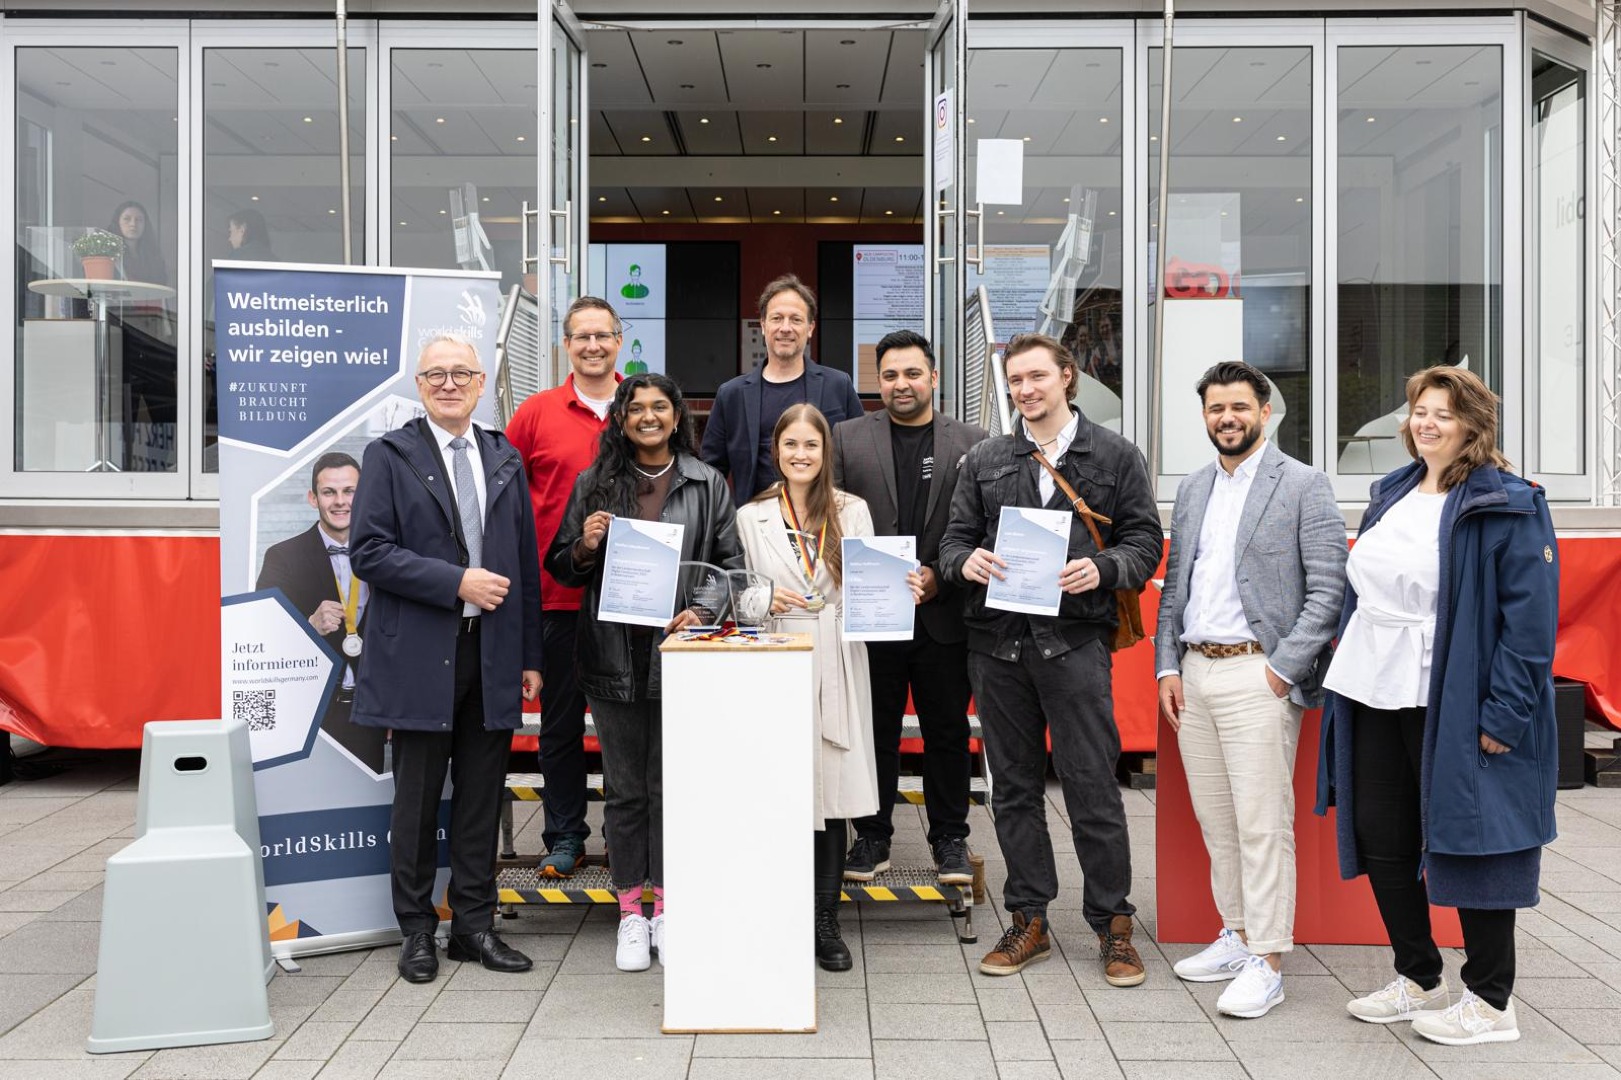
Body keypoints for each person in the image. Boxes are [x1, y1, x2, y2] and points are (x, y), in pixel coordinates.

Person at [1315, 365, 1559, 1045]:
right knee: (1379, 835)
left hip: (1452, 698)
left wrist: (1502, 716)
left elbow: (1530, 624)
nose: (1426, 423)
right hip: (1373, 687)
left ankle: (1489, 1002)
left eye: (1443, 414)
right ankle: (1419, 977)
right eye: (1419, 411)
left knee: (1476, 841)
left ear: (1473, 425)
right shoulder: (1392, 490)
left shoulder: (1509, 501)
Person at [938, 332, 1161, 987]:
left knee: (1093, 787)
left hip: (1074, 646)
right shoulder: (985, 459)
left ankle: (1112, 926)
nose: (1025, 390)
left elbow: (1142, 542)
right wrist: (964, 561)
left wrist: (1103, 567)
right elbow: (952, 542)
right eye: (1015, 381)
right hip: (998, 648)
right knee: (1011, 792)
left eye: (1036, 377)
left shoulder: (1114, 455)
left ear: (1068, 378)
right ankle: (1028, 918)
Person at [1155, 361, 1346, 1018]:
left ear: (1264, 412)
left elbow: (1328, 589)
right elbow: (1174, 585)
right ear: (1204, 415)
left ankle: (1267, 961)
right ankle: (1235, 934)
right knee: (1217, 819)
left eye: (1238, 407)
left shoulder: (1304, 485)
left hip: (1257, 673)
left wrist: (1281, 669)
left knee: (1263, 825)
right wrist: (1166, 666)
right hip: (1195, 671)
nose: (1226, 418)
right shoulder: (1192, 488)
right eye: (1214, 408)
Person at [350, 335, 542, 985]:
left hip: (489, 655)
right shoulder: (389, 456)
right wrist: (455, 581)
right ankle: (416, 932)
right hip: (419, 655)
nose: (449, 383)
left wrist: (530, 653)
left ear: (482, 382)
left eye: (462, 372)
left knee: (480, 800)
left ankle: (473, 928)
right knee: (417, 799)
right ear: (420, 384)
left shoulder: (503, 457)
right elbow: (368, 553)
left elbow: (521, 564)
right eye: (436, 374)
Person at [546, 373, 743, 972]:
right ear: (623, 419)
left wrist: (704, 609)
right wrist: (583, 544)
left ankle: (670, 909)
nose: (649, 417)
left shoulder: (707, 483)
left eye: (661, 407)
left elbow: (729, 566)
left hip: (680, 656)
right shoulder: (594, 483)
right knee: (627, 790)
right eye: (638, 408)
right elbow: (561, 567)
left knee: (673, 789)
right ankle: (633, 911)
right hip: (612, 658)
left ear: (678, 415)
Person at [736, 403, 921, 971]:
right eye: (790, 444)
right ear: (776, 451)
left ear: (826, 453)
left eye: (811, 446)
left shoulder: (852, 510)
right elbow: (736, 596)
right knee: (782, 791)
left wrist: (898, 590)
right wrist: (764, 600)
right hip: (777, 656)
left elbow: (870, 587)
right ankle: (775, 914)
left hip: (839, 656)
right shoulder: (751, 516)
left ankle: (824, 919)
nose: (801, 454)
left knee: (831, 796)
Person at [832, 329, 987, 886]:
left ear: (934, 377)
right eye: (890, 375)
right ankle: (872, 836)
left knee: (947, 730)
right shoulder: (846, 439)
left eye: (912, 373)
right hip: (873, 617)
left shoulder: (973, 441)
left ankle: (950, 838)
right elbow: (832, 523)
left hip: (943, 616)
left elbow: (981, 531)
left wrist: (939, 578)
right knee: (874, 730)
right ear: (879, 381)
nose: (901, 384)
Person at [505, 296, 623, 878]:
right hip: (556, 600)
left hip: (631, 604)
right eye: (582, 337)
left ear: (620, 341)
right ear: (566, 345)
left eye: (603, 335)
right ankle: (564, 836)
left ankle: (627, 837)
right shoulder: (535, 413)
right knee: (559, 729)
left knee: (628, 730)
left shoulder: (642, 407)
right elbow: (503, 499)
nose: (593, 346)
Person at [256, 451, 389, 775]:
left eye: (350, 491)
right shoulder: (282, 556)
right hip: (310, 714)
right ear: (313, 498)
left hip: (374, 712)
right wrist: (309, 626)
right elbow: (260, 636)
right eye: (329, 492)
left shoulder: (390, 554)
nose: (340, 501)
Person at [702, 274, 865, 506]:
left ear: (810, 328)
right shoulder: (732, 395)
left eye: (796, 320)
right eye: (777, 318)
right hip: (755, 528)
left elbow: (858, 460)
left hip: (825, 522)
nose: (785, 328)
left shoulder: (838, 385)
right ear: (763, 325)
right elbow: (711, 471)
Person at [109, 200, 168, 285]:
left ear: (145, 224)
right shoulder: (110, 254)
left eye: (139, 220)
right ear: (117, 222)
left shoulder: (154, 257)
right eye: (127, 219)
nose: (133, 224)